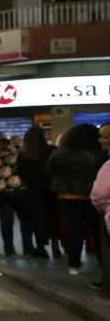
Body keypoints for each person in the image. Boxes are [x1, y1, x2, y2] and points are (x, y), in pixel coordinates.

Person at [47, 123, 104, 276]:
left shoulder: (60, 153)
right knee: (98, 231)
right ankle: (103, 262)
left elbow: (49, 171)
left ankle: (74, 265)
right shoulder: (101, 154)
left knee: (74, 231)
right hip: (94, 196)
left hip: (68, 197)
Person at [0, 137, 33, 256]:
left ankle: (8, 248)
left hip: (2, 194)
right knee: (25, 220)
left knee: (6, 222)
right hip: (19, 191)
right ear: (9, 145)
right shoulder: (17, 157)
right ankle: (27, 246)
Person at [18, 125, 58, 259]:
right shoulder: (52, 151)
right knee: (53, 217)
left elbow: (21, 174)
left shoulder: (24, 155)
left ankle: (40, 247)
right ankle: (55, 245)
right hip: (51, 190)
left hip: (33, 192)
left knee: (37, 220)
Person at [90, 122, 110, 295]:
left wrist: (101, 207)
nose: (100, 140)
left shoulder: (107, 165)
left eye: (104, 137)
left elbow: (99, 193)